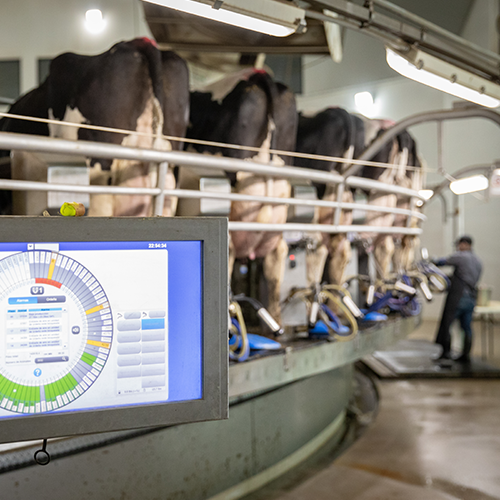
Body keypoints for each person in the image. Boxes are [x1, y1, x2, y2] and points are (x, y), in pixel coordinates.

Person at [433, 235, 482, 364]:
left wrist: (431, 260)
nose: (458, 247)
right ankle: (465, 355)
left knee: (447, 324)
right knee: (466, 326)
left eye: (459, 245)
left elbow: (442, 262)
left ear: (464, 244)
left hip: (459, 297)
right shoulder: (478, 261)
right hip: (471, 298)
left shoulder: (461, 256)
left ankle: (446, 353)